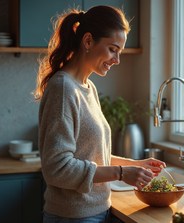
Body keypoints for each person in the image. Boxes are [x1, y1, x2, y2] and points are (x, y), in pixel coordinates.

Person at [34, 5, 166, 223]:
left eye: (120, 52)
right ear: (87, 41)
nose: (117, 59)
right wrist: (121, 173)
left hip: (97, 212)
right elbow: (57, 168)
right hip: (73, 216)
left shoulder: (87, 87)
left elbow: (93, 157)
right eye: (113, 49)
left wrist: (136, 165)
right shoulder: (63, 88)